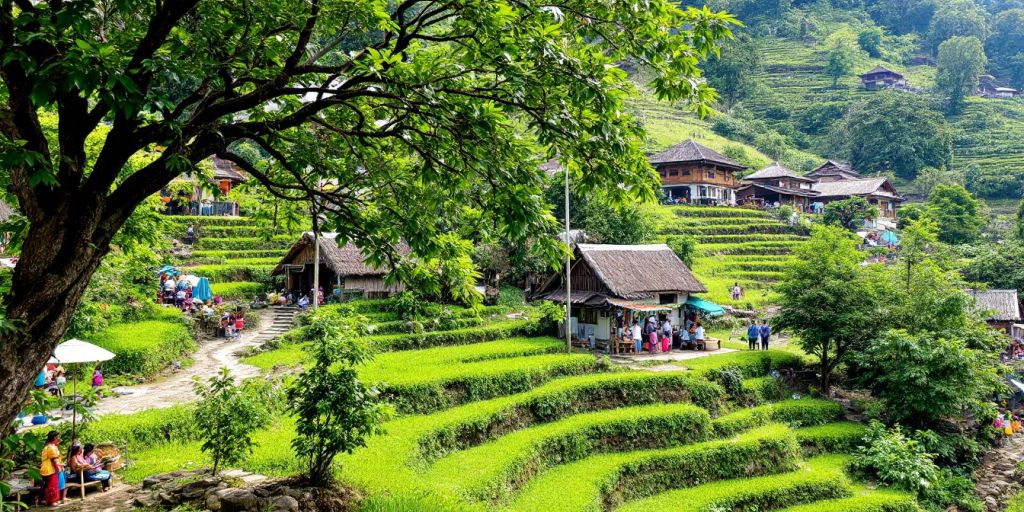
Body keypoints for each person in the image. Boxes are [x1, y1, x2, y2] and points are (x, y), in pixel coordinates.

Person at [39, 431, 63, 506]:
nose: (59, 439)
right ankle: (51, 501)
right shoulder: (51, 447)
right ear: (55, 438)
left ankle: (52, 500)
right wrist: (58, 467)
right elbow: (54, 460)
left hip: (49, 469)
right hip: (49, 469)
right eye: (58, 437)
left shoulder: (50, 446)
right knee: (51, 485)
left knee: (52, 485)